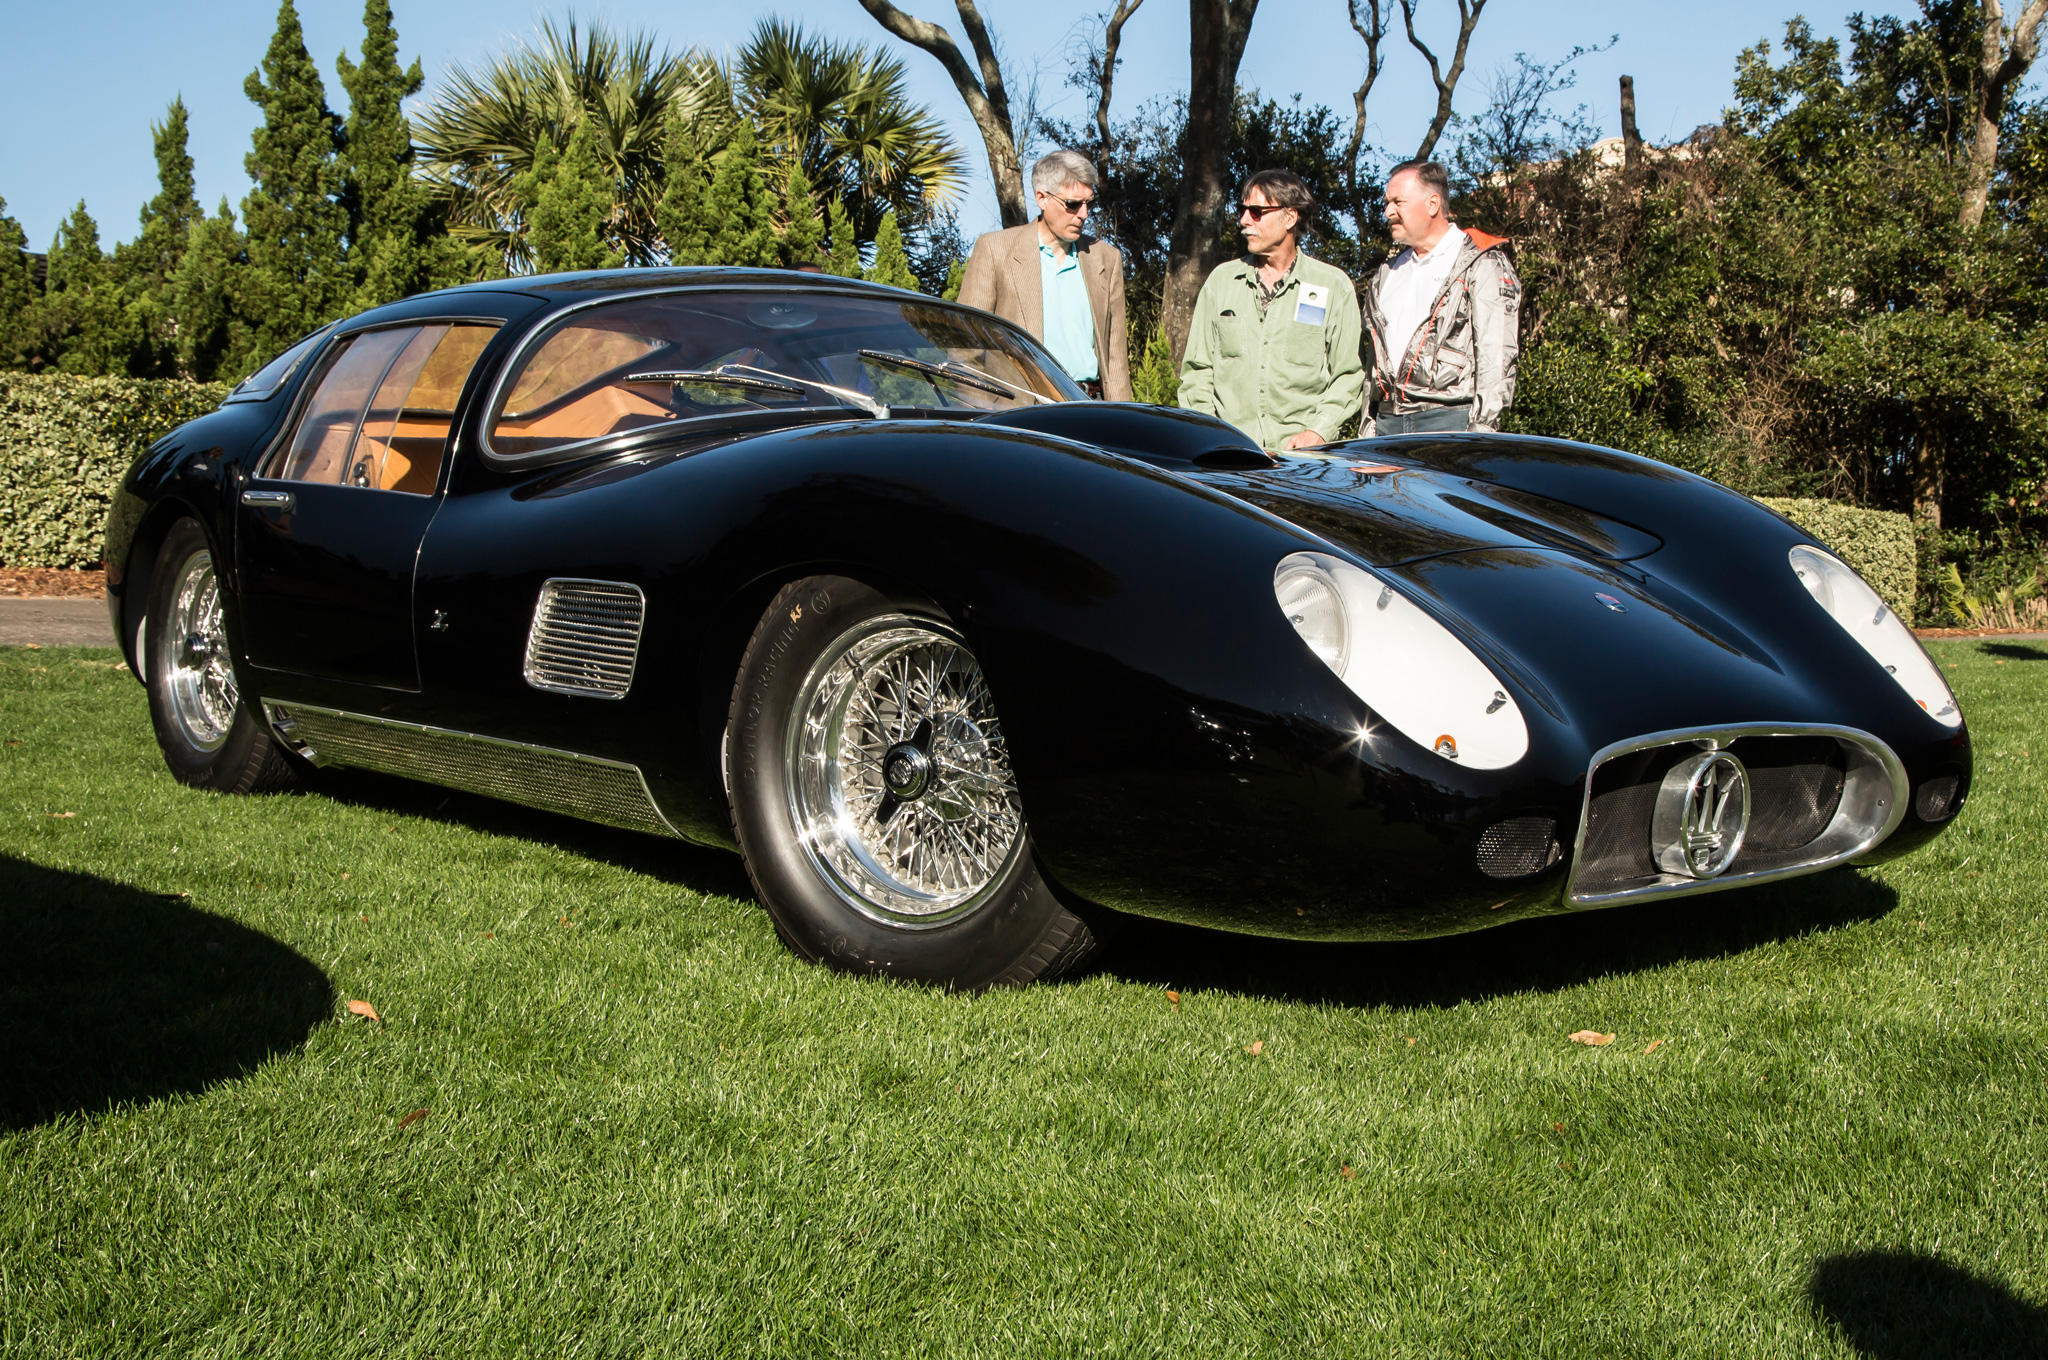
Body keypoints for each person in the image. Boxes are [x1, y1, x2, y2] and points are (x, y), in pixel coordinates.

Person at [1178, 170, 1364, 451]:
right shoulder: (1221, 282)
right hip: (1231, 457)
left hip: (1303, 464)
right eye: (1242, 210)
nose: (1243, 220)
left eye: (1256, 212)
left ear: (1290, 217)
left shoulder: (1333, 286)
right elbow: (1197, 371)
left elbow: (1349, 375)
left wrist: (1318, 431)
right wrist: (1212, 435)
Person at [1362, 159, 1521, 435]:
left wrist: (1481, 432)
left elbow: (1496, 354)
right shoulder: (1386, 273)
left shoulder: (1481, 260)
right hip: (1387, 426)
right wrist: (1368, 426)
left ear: (1433, 204)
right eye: (1387, 203)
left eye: (1398, 202)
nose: (1388, 212)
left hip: (1450, 421)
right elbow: (1371, 364)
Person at [958, 150, 1132, 400]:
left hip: (1093, 409)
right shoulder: (995, 251)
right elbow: (965, 348)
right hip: (1019, 415)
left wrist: (1123, 424)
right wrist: (986, 411)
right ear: (1041, 198)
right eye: (1072, 204)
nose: (1083, 214)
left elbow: (1115, 361)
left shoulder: (1106, 259)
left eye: (1088, 203)